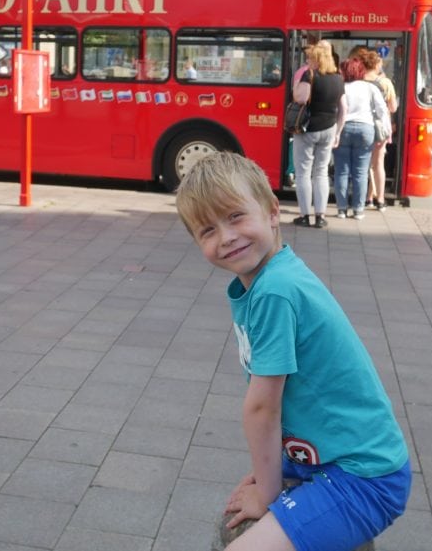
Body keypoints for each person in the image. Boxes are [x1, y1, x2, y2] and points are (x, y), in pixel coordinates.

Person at [174, 152, 410, 551]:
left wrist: (267, 495)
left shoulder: (274, 291)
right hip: (332, 460)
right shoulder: (269, 278)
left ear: (270, 213)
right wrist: (276, 471)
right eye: (207, 230)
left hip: (363, 476)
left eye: (235, 217)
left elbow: (262, 408)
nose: (226, 237)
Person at [291, 42, 346, 228]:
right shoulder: (338, 78)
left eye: (310, 58)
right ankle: (321, 216)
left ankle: (305, 216)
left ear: (316, 59)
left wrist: (297, 85)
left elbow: (300, 98)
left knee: (303, 173)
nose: (308, 61)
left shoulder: (310, 74)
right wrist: (338, 132)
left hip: (308, 129)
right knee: (321, 172)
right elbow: (344, 109)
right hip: (329, 129)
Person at [333, 56, 389, 219]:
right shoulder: (370, 88)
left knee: (341, 171)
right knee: (361, 171)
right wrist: (385, 131)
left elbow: (336, 110)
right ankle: (358, 210)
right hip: (366, 129)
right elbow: (382, 109)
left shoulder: (341, 87)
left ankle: (342, 209)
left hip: (343, 128)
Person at [363, 51, 397, 211]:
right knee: (378, 164)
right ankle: (380, 199)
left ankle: (367, 197)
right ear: (376, 65)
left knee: (364, 164)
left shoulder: (358, 80)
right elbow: (393, 107)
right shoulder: (385, 83)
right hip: (380, 128)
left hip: (362, 124)